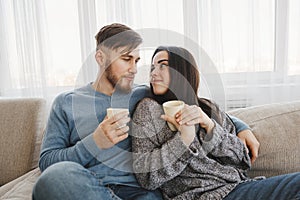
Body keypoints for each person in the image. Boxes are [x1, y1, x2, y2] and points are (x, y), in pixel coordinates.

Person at [32, 23, 258, 200]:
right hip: (90, 187)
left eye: (137, 60)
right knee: (53, 179)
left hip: (141, 193)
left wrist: (241, 126)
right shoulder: (66, 103)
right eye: (126, 59)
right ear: (100, 57)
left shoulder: (143, 95)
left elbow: (194, 104)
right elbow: (48, 161)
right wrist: (95, 141)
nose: (134, 68)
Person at [131, 46, 300, 200]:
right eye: (153, 67)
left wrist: (210, 127)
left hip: (237, 188)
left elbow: (242, 160)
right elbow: (147, 176)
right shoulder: (148, 110)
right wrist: (184, 140)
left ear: (182, 71)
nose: (153, 72)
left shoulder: (208, 108)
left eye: (162, 65)